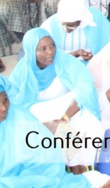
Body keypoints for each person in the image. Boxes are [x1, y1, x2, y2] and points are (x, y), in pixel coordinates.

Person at [6, 28, 104, 172]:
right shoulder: (23, 70)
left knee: (90, 126)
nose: (50, 52)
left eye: (52, 45)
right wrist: (45, 125)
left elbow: (85, 89)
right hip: (42, 116)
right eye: (43, 49)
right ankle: (67, 168)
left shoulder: (64, 61)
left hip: (70, 110)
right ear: (31, 51)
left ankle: (83, 168)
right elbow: (12, 99)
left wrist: (64, 119)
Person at [0, 75, 110, 187]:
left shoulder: (20, 118)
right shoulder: (33, 109)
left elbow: (46, 164)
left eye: (5, 100)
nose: (3, 108)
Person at [40, 0, 110, 63]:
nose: (67, 30)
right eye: (63, 25)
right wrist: (75, 54)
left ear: (81, 19)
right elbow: (44, 57)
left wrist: (94, 57)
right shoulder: (51, 24)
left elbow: (109, 49)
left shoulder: (96, 19)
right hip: (60, 65)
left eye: (71, 26)